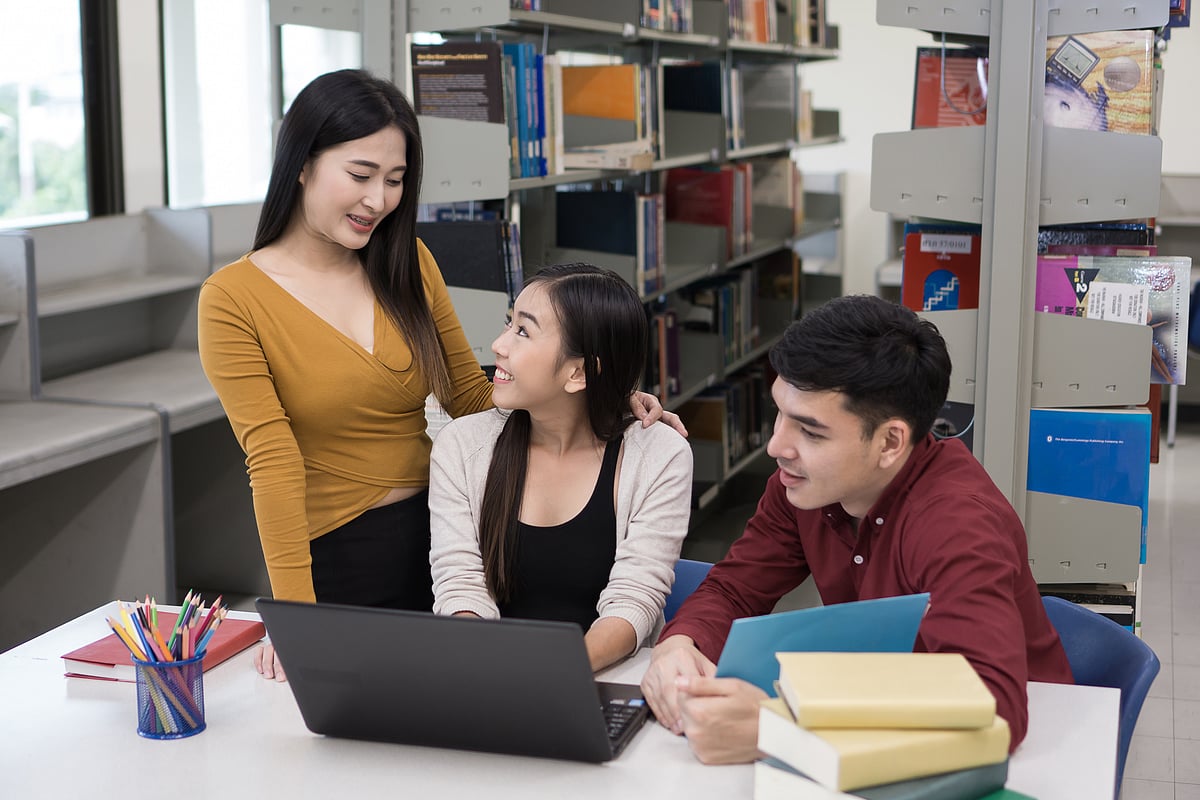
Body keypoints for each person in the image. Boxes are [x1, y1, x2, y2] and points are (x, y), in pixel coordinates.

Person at [198, 70, 678, 681]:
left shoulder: (408, 262)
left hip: (448, 537)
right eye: (361, 175)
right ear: (301, 162)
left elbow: (476, 399)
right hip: (338, 558)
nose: (379, 200)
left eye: (395, 181)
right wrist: (294, 613)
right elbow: (271, 460)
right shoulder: (233, 299)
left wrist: (604, 405)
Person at [639, 294, 1073, 764]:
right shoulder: (804, 486)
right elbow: (733, 590)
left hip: (1025, 765)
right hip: (878, 728)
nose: (777, 446)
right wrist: (679, 646)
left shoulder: (958, 525)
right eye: (779, 413)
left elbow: (995, 708)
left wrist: (780, 732)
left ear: (890, 442)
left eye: (810, 431)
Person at [429, 264, 693, 672]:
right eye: (508, 322)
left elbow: (633, 600)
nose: (498, 344)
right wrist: (490, 673)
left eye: (523, 331)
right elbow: (460, 587)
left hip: (602, 676)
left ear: (580, 372)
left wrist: (555, 675)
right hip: (488, 673)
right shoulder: (462, 446)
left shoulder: (660, 455)